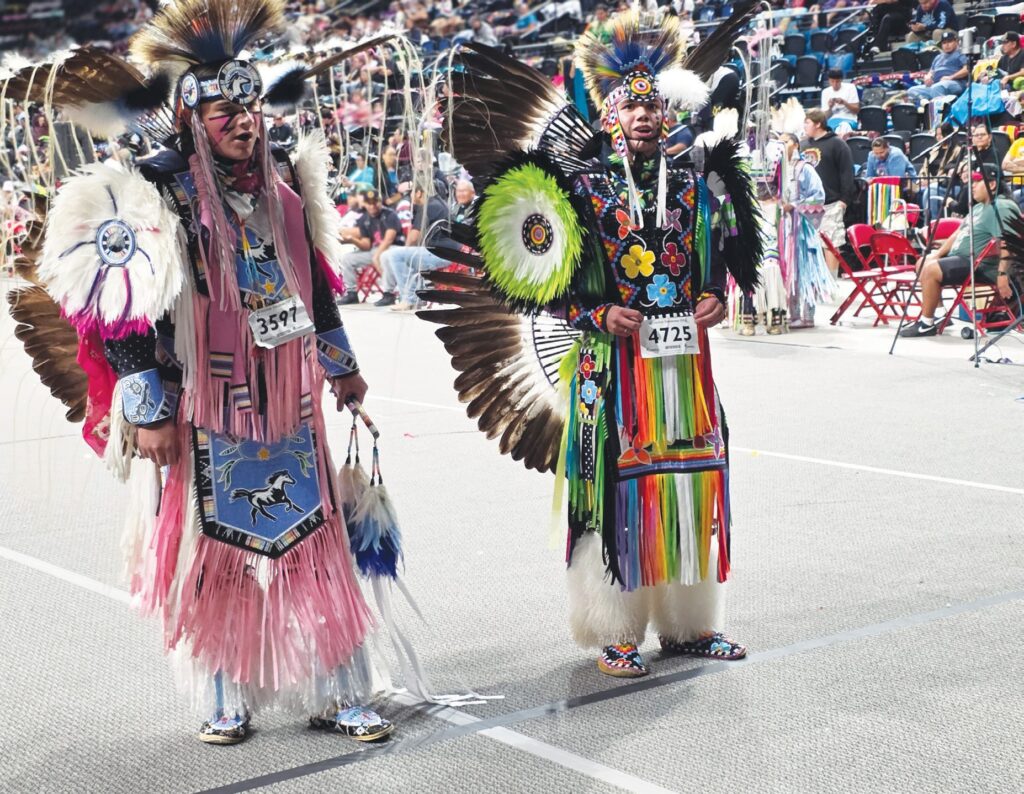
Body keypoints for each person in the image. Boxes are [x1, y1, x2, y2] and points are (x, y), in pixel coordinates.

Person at [35, 0, 399, 745]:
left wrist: (344, 369)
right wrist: (148, 411)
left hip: (288, 400)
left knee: (315, 541)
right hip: (203, 404)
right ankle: (223, 693)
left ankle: (336, 688)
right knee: (215, 554)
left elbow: (315, 285)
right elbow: (123, 309)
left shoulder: (284, 189)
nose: (244, 120)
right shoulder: (157, 191)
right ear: (193, 118)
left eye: (252, 105)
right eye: (226, 108)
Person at [426, 9, 760, 678]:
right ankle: (614, 628)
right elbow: (538, 272)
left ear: (666, 115)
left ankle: (690, 624)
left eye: (652, 106)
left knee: (690, 480)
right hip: (611, 373)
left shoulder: (692, 187)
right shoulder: (579, 190)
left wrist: (717, 293)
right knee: (613, 489)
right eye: (630, 106)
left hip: (682, 367)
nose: (643, 116)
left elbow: (716, 256)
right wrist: (593, 310)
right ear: (610, 114)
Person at [900, 165, 1020, 336]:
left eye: (976, 181)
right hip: (963, 259)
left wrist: (1002, 276)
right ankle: (942, 315)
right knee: (924, 262)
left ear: (992, 184)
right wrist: (938, 253)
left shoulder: (1001, 206)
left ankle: (926, 323)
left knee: (931, 269)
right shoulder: (978, 207)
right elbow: (958, 233)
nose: (971, 186)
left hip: (983, 266)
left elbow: (1009, 243)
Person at [778, 132, 834, 329]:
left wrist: (793, 206)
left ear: (795, 144)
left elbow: (818, 196)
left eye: (785, 142)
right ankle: (793, 315)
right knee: (789, 270)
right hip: (784, 228)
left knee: (805, 269)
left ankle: (808, 315)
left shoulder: (806, 169)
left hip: (802, 228)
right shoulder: (779, 170)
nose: (781, 145)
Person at [378, 184, 453, 310]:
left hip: (442, 254)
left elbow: (413, 237)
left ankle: (409, 299)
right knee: (390, 254)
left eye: (411, 193)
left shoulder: (428, 206)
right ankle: (403, 294)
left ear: (419, 193)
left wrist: (404, 252)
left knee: (396, 255)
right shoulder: (437, 203)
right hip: (443, 251)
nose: (410, 196)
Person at [801, 109, 855, 274]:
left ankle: (832, 280)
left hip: (831, 202)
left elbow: (846, 173)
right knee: (809, 243)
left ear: (818, 124)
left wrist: (844, 200)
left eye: (807, 122)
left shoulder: (837, 144)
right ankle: (814, 280)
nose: (804, 126)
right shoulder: (803, 145)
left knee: (830, 243)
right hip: (807, 203)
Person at [338, 188, 405, 304]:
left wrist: (377, 255)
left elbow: (389, 239)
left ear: (380, 202)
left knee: (384, 256)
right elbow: (366, 245)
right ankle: (351, 293)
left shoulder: (390, 214)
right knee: (346, 259)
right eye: (369, 203)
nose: (372, 206)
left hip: (393, 248)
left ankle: (389, 293)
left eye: (375, 202)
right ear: (365, 204)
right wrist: (353, 240)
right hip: (374, 250)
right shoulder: (364, 219)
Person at [906, 31, 968, 106]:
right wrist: (928, 77)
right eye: (944, 43)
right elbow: (931, 72)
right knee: (912, 91)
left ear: (956, 42)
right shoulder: (938, 57)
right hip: (936, 84)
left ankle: (940, 114)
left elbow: (967, 69)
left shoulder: (960, 53)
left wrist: (951, 77)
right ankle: (926, 106)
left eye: (949, 42)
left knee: (937, 87)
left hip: (956, 83)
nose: (947, 45)